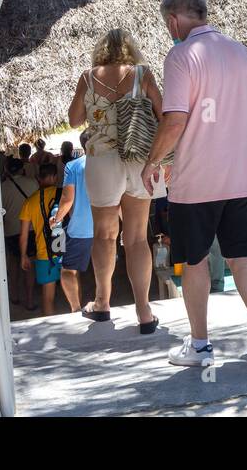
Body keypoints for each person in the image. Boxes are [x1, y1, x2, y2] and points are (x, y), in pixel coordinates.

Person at [142, 0, 247, 367]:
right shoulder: (242, 52)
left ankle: (201, 346)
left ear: (173, 21)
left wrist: (152, 161)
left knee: (195, 262)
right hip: (244, 179)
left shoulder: (180, 56)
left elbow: (174, 120)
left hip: (196, 182)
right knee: (243, 258)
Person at [67, 28, 164, 334]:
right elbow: (164, 114)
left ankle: (102, 303)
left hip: (102, 158)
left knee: (105, 236)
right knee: (136, 238)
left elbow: (73, 119)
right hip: (139, 158)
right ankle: (144, 311)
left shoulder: (88, 77)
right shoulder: (142, 74)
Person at [49, 132, 94, 313]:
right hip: (106, 226)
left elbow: (67, 199)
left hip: (81, 229)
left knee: (68, 270)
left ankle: (76, 309)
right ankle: (103, 303)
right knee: (104, 268)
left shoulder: (73, 166)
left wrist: (56, 219)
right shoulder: (110, 163)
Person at [18, 162, 64, 316]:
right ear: (55, 177)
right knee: (74, 289)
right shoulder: (65, 195)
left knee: (48, 298)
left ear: (39, 178)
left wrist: (24, 255)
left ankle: (51, 328)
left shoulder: (30, 202)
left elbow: (24, 234)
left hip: (45, 254)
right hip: (66, 249)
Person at [1, 156, 39, 311]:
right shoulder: (32, 183)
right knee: (29, 264)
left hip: (10, 230)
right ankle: (29, 300)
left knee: (14, 262)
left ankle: (14, 295)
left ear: (7, 171)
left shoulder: (1, 188)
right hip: (30, 229)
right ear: (23, 169)